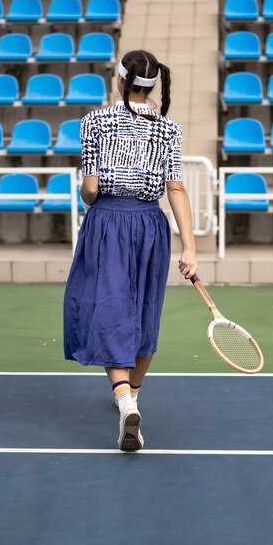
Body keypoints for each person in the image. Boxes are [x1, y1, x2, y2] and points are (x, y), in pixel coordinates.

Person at [63, 49, 198, 451]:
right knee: (142, 311)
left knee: (106, 308)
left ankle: (124, 401)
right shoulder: (168, 128)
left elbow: (90, 189)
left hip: (107, 221)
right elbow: (176, 188)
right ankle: (132, 395)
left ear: (120, 79)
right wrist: (189, 248)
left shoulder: (95, 121)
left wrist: (92, 192)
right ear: (154, 84)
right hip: (151, 226)